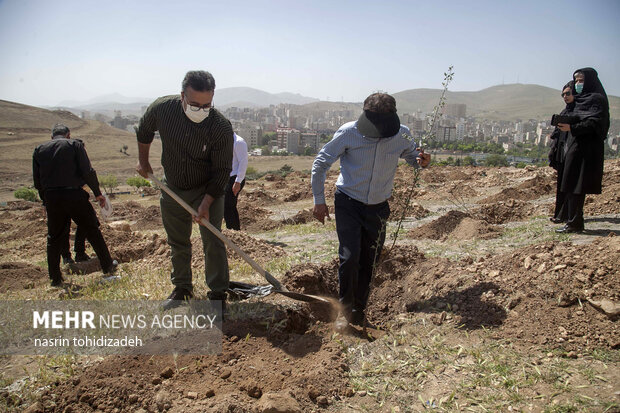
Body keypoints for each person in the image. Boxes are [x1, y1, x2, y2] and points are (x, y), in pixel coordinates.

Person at [311, 92, 431, 329]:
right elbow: (321, 163)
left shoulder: (402, 133)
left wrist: (421, 160)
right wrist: (319, 200)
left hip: (378, 207)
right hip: (348, 202)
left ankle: (359, 312)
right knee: (350, 256)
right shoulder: (349, 132)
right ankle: (344, 313)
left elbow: (411, 155)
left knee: (371, 259)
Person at [136, 70, 234, 310]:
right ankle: (182, 287)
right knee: (177, 240)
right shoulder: (163, 109)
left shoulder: (220, 126)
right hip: (173, 187)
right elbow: (144, 129)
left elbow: (222, 170)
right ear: (182, 96)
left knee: (213, 240)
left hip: (207, 187)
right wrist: (143, 161)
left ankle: (218, 293)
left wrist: (207, 202)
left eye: (206, 106)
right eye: (194, 105)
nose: (200, 110)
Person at [33, 124, 118, 287]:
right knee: (92, 229)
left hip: (52, 197)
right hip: (74, 195)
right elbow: (88, 171)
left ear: (52, 137)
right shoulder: (74, 145)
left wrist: (45, 200)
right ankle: (107, 266)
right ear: (68, 135)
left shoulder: (39, 149)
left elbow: (37, 181)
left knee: (53, 237)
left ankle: (55, 278)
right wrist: (97, 193)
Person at [556, 67, 609, 233]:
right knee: (571, 184)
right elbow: (575, 115)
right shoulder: (580, 100)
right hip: (575, 146)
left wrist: (573, 127)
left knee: (578, 186)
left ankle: (575, 222)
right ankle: (572, 220)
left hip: (587, 149)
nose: (578, 84)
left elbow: (595, 123)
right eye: (576, 80)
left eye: (581, 80)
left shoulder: (597, 99)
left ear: (590, 81)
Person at [548, 81, 575, 224]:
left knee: (570, 185)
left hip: (573, 153)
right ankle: (560, 214)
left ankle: (568, 216)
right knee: (561, 185)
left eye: (568, 93)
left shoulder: (579, 110)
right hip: (563, 152)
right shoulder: (566, 110)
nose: (565, 96)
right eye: (563, 94)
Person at [224, 133, 249, 230]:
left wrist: (238, 181)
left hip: (234, 178)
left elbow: (243, 162)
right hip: (226, 177)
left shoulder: (239, 142)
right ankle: (233, 230)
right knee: (227, 206)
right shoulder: (224, 141)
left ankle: (234, 231)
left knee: (228, 205)